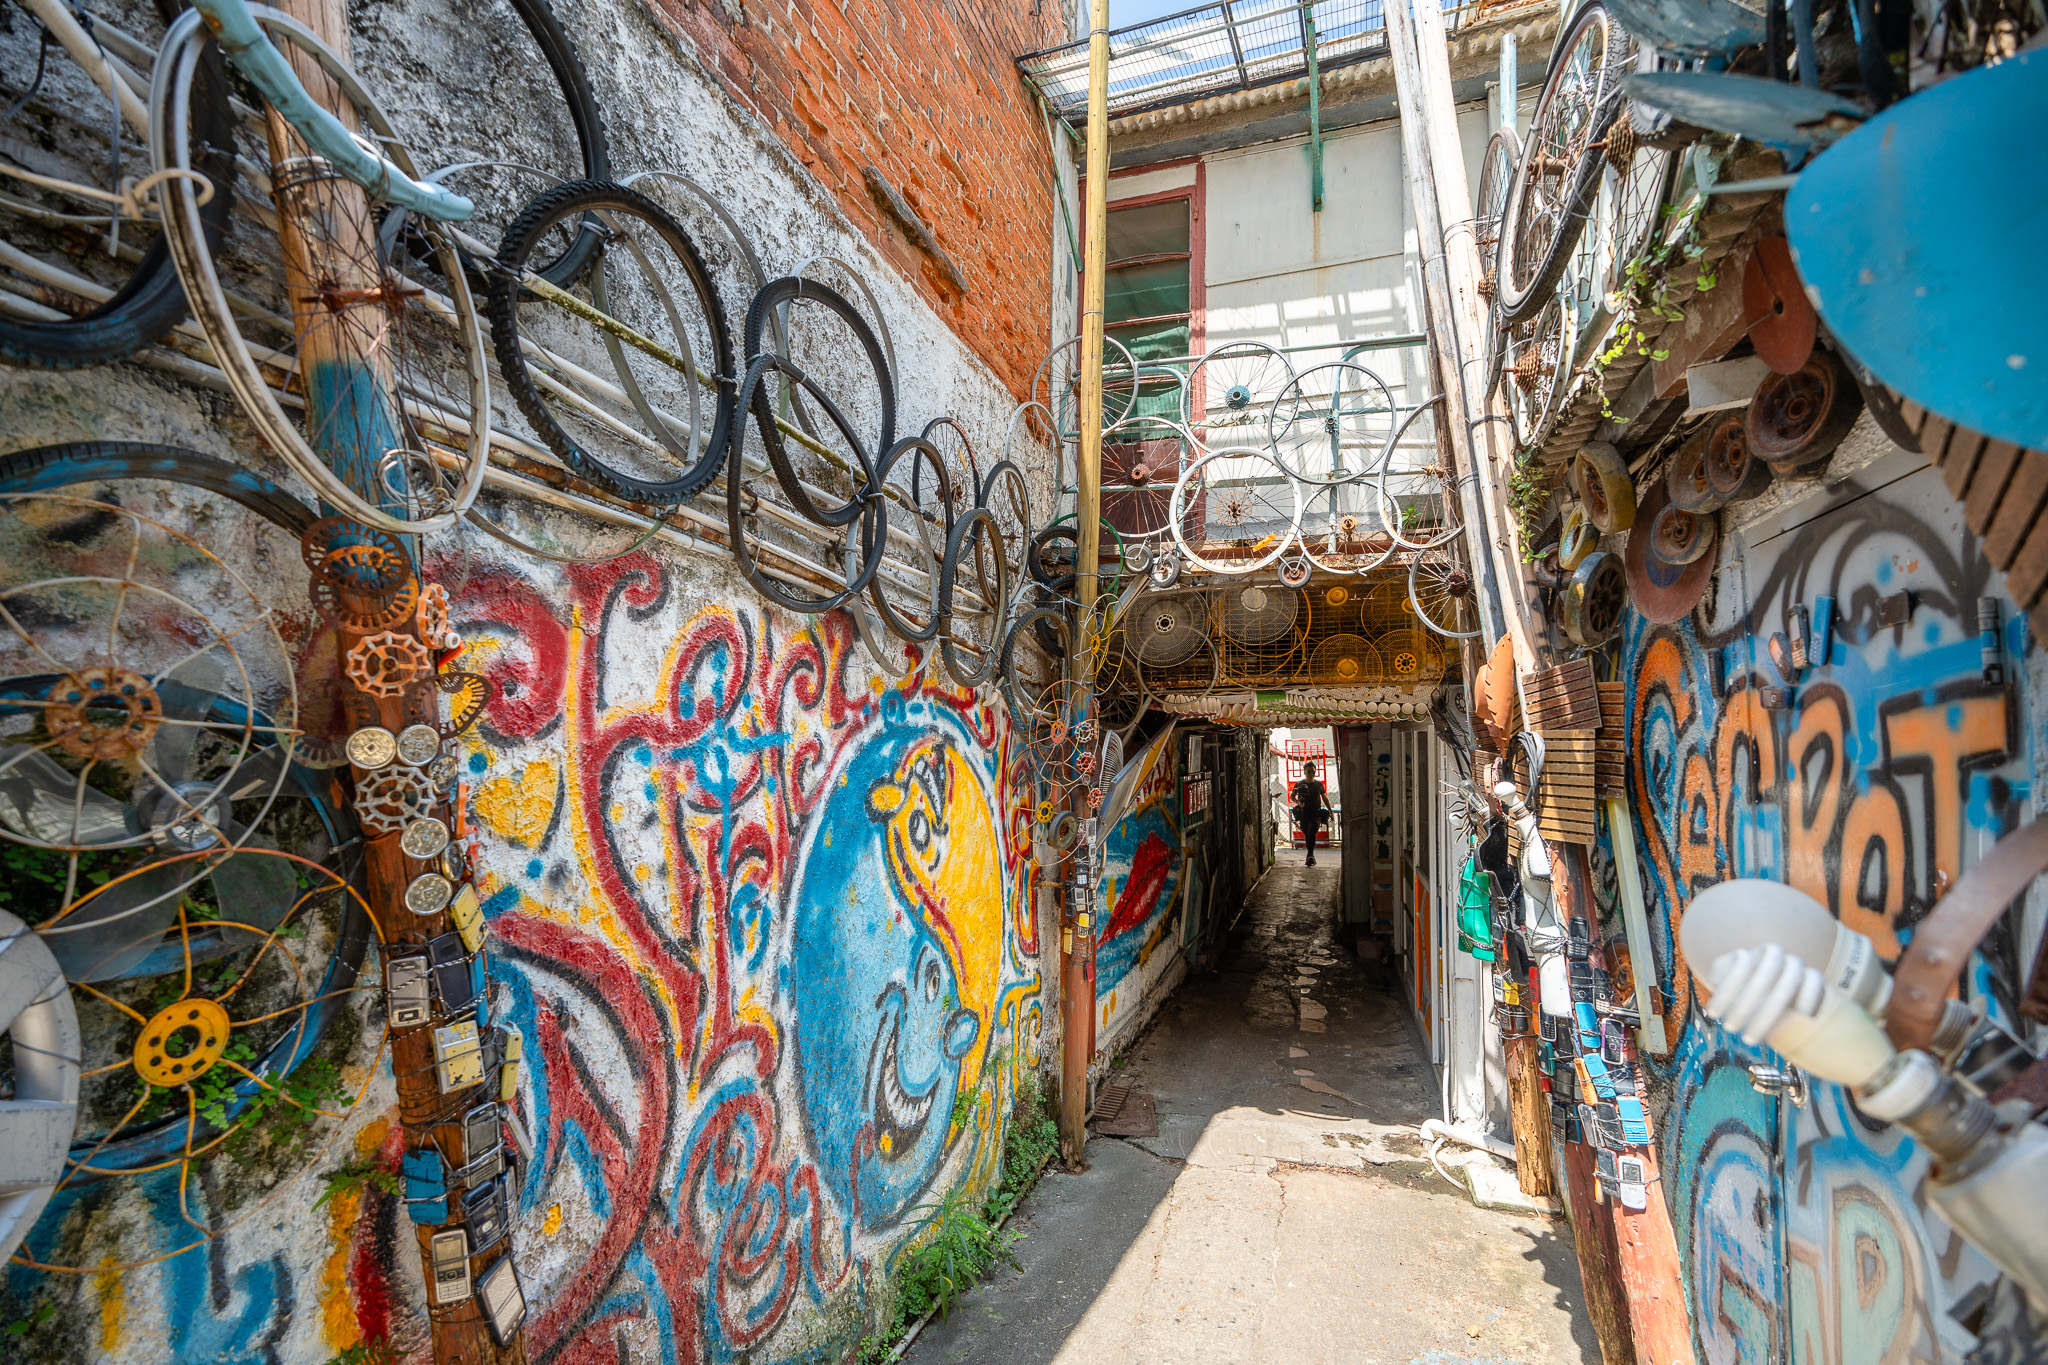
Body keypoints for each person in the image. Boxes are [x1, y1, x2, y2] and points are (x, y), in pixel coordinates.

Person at [1291, 762, 1329, 867]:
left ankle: (1310, 855)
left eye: (1313, 771)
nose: (1311, 773)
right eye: (1309, 771)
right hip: (1304, 814)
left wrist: (1330, 811)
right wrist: (1298, 803)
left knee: (1312, 832)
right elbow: (1292, 796)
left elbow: (1324, 798)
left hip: (1315, 813)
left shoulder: (1318, 784)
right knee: (1307, 833)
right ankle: (1310, 855)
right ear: (1304, 772)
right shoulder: (1299, 784)